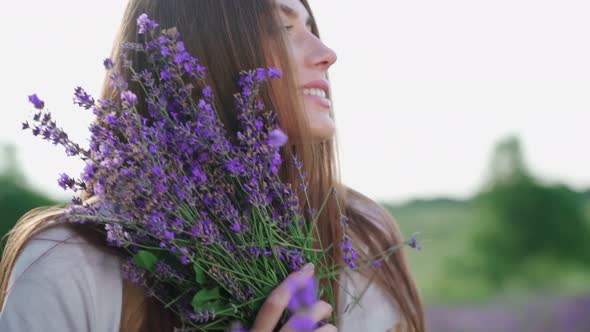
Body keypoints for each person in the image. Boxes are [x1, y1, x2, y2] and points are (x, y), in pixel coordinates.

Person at [0, 0, 425, 331]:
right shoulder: (70, 263)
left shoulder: (360, 235)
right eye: (285, 27)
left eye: (312, 27)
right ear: (206, 48)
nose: (327, 54)